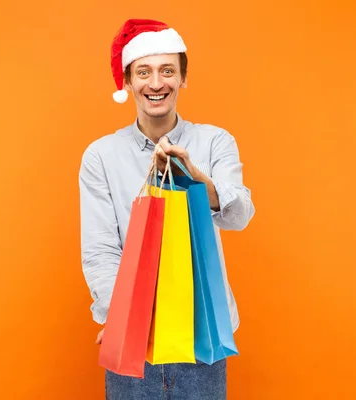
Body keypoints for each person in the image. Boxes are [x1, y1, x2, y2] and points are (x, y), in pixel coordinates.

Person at [78, 18, 255, 399]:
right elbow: (100, 251)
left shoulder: (215, 141)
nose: (156, 83)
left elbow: (239, 214)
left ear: (182, 79)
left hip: (201, 339)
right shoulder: (101, 157)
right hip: (133, 340)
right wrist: (120, 318)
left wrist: (195, 179)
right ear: (127, 82)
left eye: (167, 71)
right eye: (144, 72)